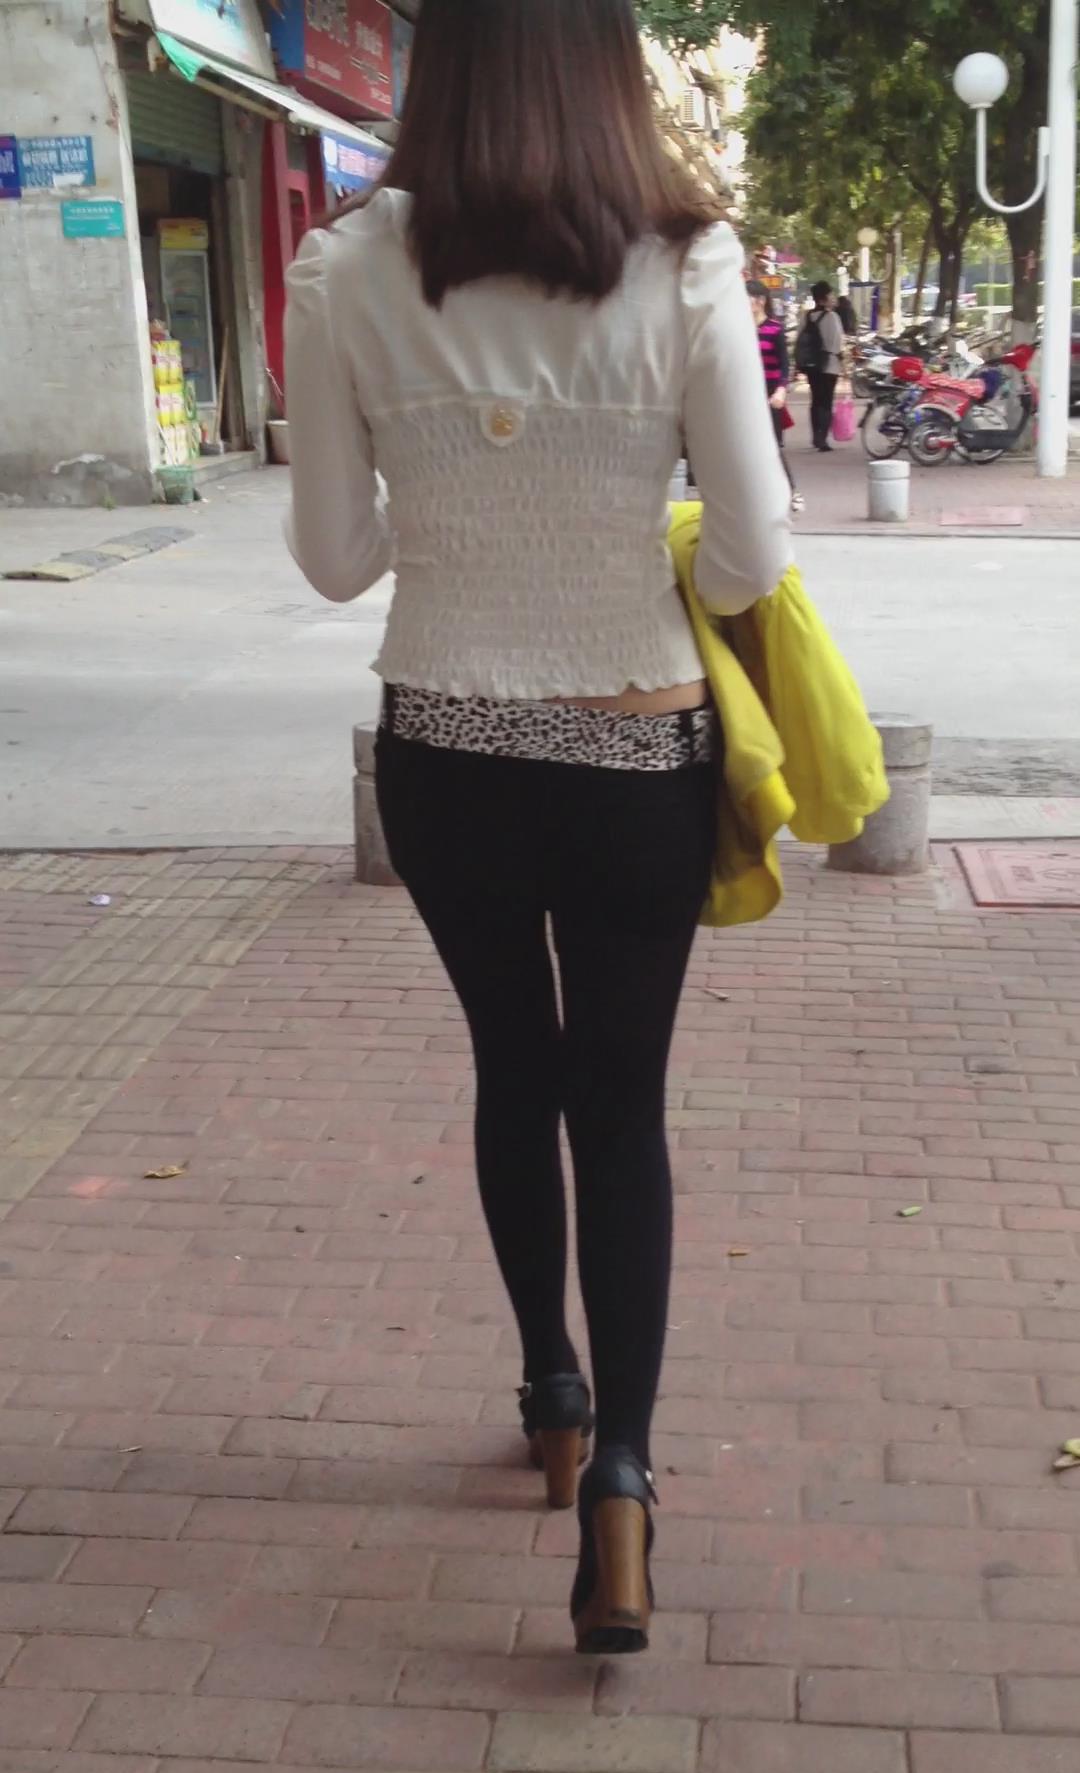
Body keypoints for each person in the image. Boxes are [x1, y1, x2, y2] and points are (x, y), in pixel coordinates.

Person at [283, 0, 791, 1656]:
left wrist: (453, 516)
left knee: (515, 1069)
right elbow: (754, 554)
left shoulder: (344, 269)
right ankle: (623, 1485)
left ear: (439, 65)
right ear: (603, 64)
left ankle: (552, 1393)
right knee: (621, 1106)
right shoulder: (686, 265)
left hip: (447, 749)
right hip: (639, 751)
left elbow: (335, 561)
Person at [747, 279, 804, 514]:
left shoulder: (774, 329)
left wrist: (781, 390)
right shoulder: (739, 329)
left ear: (760, 301)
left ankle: (792, 492)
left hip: (770, 393)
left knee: (772, 446)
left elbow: (784, 365)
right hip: (746, 394)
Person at [800, 282, 846, 451]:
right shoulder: (832, 317)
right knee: (826, 401)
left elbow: (800, 339)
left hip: (812, 365)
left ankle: (815, 437)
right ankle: (823, 439)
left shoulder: (807, 316)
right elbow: (837, 343)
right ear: (823, 299)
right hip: (830, 364)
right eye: (830, 295)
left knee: (815, 400)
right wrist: (842, 361)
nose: (833, 298)